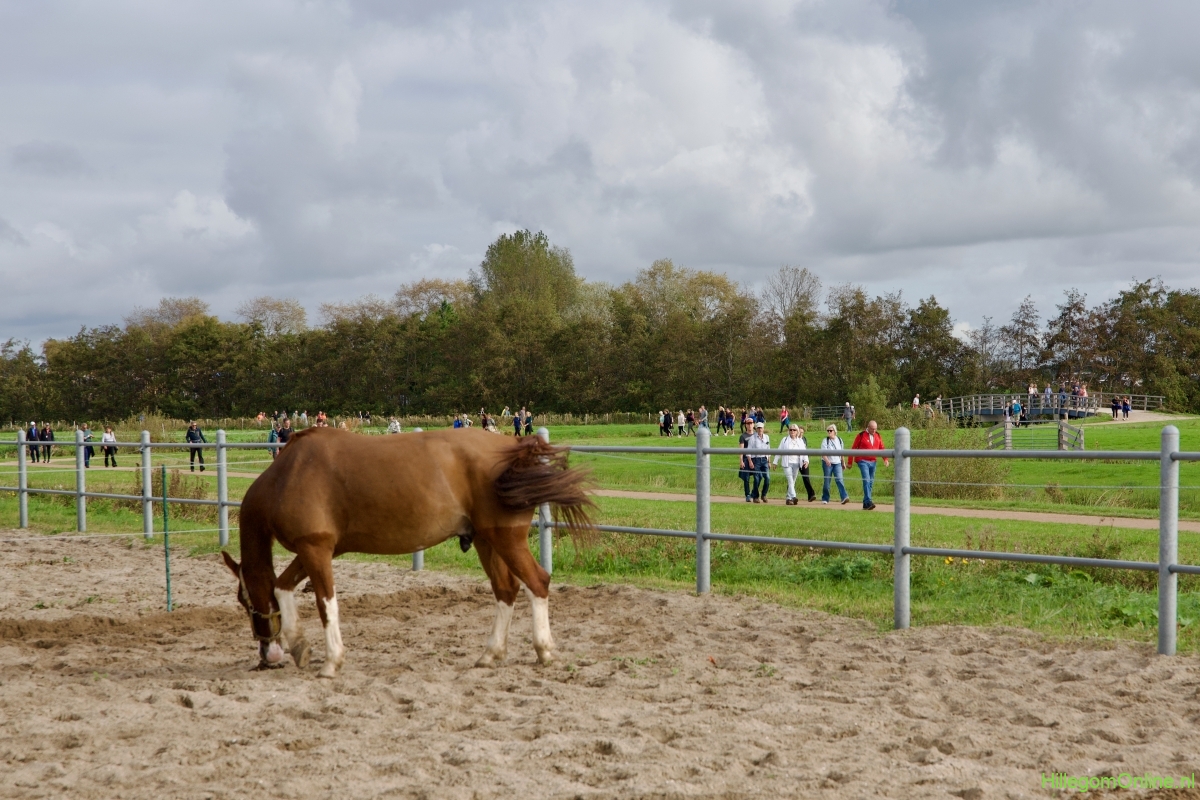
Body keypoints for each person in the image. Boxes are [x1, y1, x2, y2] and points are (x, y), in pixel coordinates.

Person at [847, 421, 888, 511]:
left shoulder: (878, 435)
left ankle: (866, 504)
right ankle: (869, 501)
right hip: (862, 460)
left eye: (875, 429)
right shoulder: (861, 435)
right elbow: (853, 448)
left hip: (873, 461)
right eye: (872, 429)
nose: (874, 431)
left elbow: (882, 448)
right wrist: (850, 462)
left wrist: (885, 459)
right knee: (867, 480)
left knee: (870, 482)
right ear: (868, 427)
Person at [774, 424, 815, 505]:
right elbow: (779, 450)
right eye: (791, 430)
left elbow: (804, 452)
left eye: (794, 430)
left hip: (796, 463)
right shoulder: (784, 440)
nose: (792, 431)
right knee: (790, 480)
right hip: (787, 463)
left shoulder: (800, 441)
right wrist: (775, 462)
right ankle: (794, 496)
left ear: (797, 432)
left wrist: (806, 461)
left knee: (793, 481)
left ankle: (788, 499)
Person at [820, 424, 849, 505]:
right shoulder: (825, 441)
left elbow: (841, 452)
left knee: (839, 480)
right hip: (827, 464)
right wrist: (827, 460)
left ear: (835, 431)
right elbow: (823, 453)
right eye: (828, 431)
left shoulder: (839, 440)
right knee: (827, 481)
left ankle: (844, 497)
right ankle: (825, 498)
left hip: (837, 463)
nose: (829, 432)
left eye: (831, 431)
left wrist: (843, 462)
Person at [749, 421, 772, 502]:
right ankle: (755, 496)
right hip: (756, 460)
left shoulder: (766, 437)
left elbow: (768, 449)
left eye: (761, 428)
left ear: (763, 428)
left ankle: (764, 495)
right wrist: (750, 461)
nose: (760, 429)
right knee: (757, 479)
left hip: (764, 460)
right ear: (756, 429)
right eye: (758, 428)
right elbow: (748, 451)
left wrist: (769, 461)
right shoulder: (752, 438)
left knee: (767, 478)